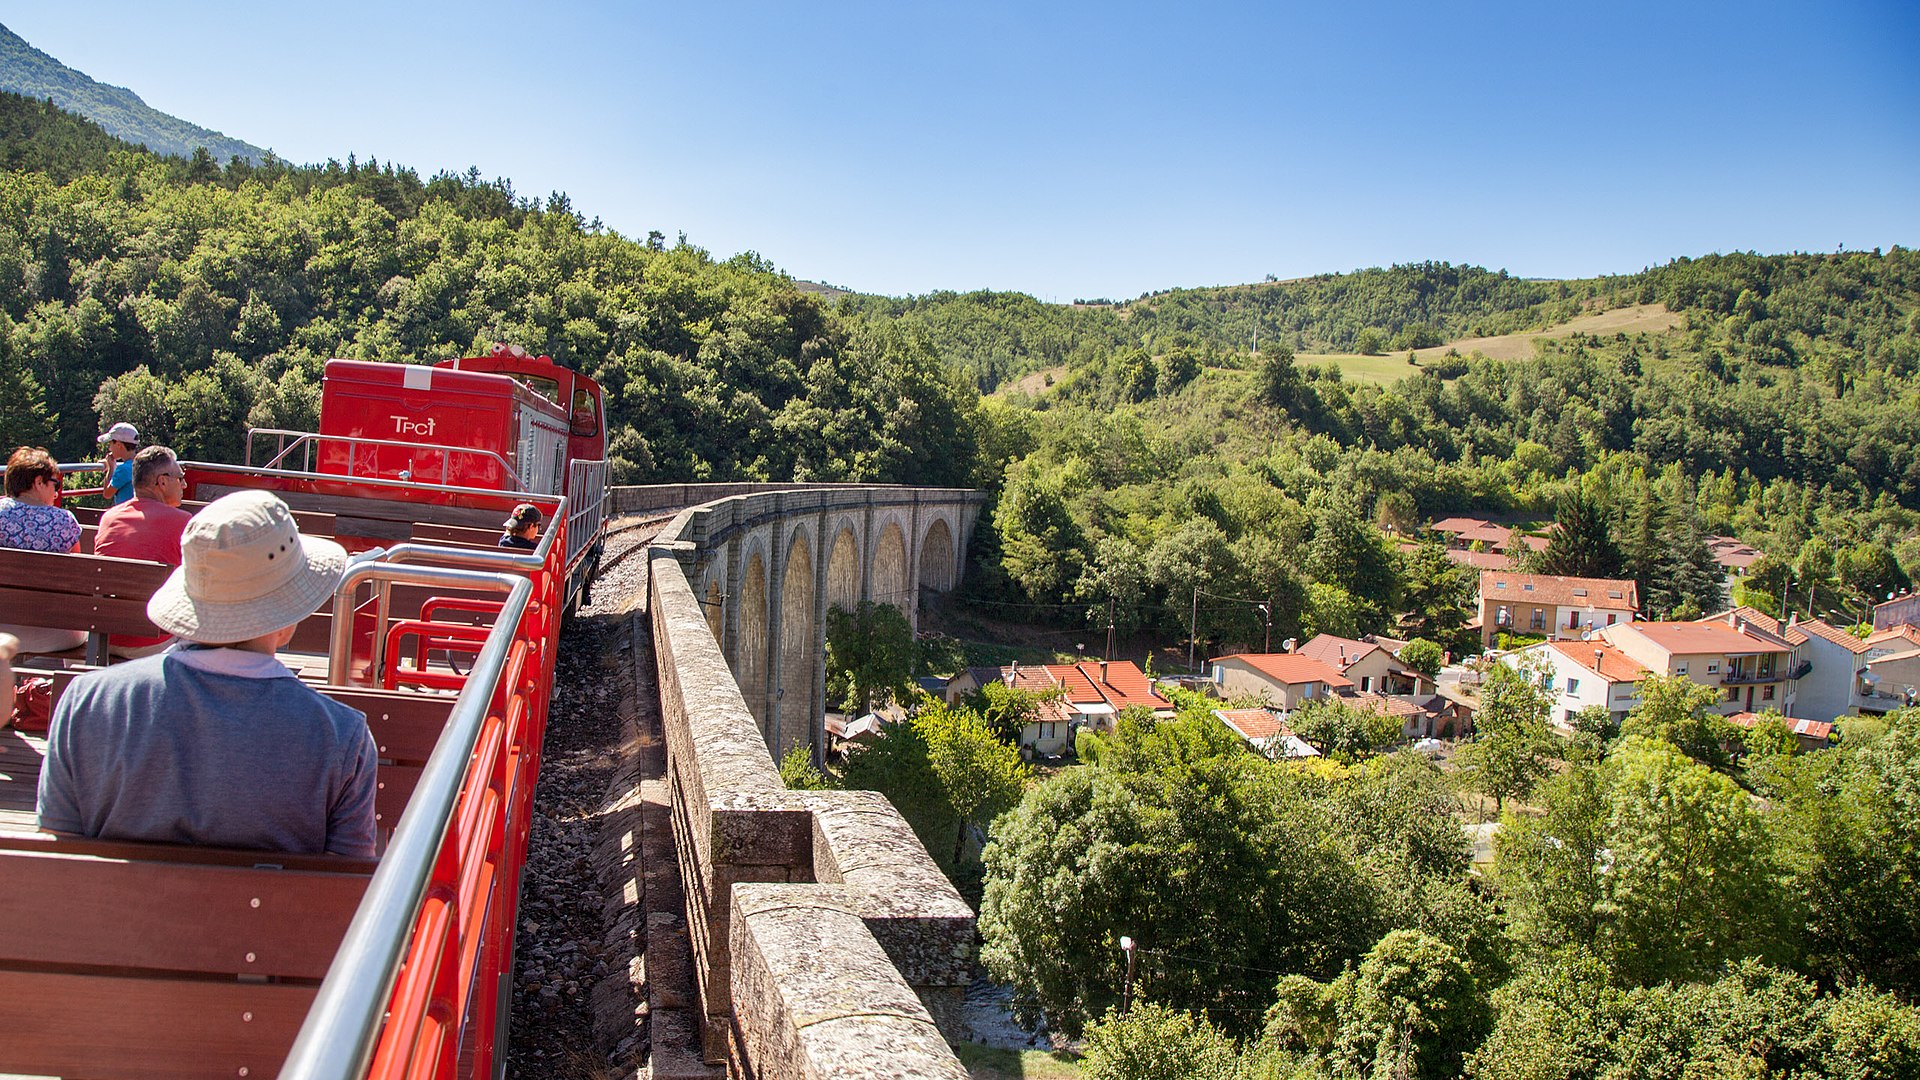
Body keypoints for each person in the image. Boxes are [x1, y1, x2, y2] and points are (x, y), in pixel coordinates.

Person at [37, 490, 379, 858]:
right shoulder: (342, 736)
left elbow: (58, 856)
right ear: (288, 617)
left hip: (109, 914)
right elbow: (347, 884)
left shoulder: (86, 702)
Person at [94, 446, 192, 658]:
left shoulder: (109, 519)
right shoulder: (183, 522)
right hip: (154, 641)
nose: (184, 484)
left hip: (104, 637)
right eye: (180, 477)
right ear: (162, 481)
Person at [0, 447, 86, 654]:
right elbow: (79, 574)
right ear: (39, 482)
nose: (56, 492)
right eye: (54, 483)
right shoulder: (64, 521)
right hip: (55, 632)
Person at [98, 422, 140, 505]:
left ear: (118, 445)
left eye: (110, 444)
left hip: (127, 513)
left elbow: (107, 494)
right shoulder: (141, 465)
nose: (110, 448)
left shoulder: (123, 469)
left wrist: (111, 468)